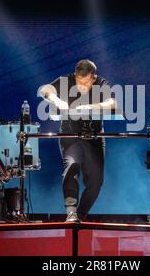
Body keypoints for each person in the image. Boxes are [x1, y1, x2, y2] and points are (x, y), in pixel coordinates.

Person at [38, 59, 116, 222]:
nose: (82, 86)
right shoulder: (66, 80)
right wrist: (56, 100)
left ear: (93, 78)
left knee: (96, 181)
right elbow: (45, 89)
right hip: (70, 135)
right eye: (79, 81)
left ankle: (81, 214)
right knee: (71, 167)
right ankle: (71, 212)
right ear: (75, 75)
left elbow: (112, 103)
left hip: (94, 137)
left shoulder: (101, 83)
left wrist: (90, 107)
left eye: (86, 82)